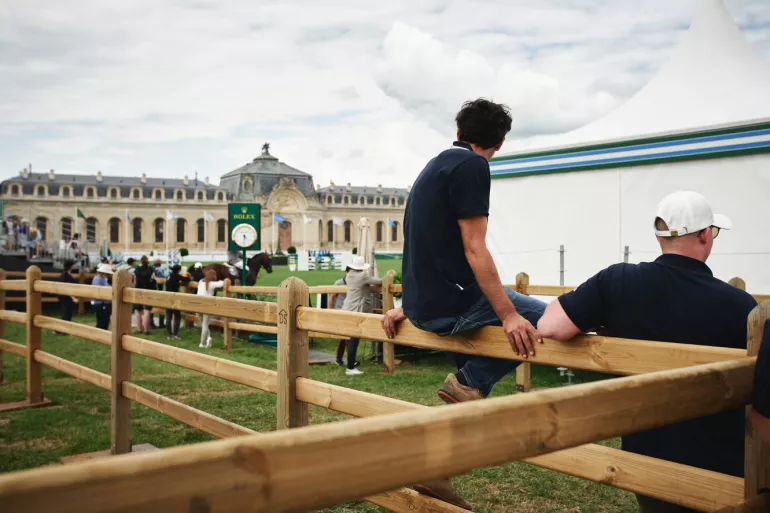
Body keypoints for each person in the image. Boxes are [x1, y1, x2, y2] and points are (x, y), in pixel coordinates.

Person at [537, 190, 756, 513]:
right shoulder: (740, 306)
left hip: (643, 458)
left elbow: (549, 326)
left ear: (659, 236)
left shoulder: (618, 282)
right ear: (706, 235)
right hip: (721, 467)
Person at [340, 257, 381, 376]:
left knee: (352, 339)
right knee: (354, 339)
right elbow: (378, 281)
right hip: (357, 310)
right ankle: (350, 368)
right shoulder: (362, 276)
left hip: (348, 308)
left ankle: (351, 363)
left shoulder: (349, 275)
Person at [328, 269, 352, 367]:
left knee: (346, 337)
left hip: (349, 313)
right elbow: (332, 297)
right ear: (346, 272)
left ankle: (340, 358)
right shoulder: (338, 283)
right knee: (346, 337)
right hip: (340, 313)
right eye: (350, 272)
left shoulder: (353, 283)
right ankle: (348, 359)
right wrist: (331, 311)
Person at [197, 269, 224, 348]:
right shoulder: (212, 284)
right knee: (205, 325)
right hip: (207, 306)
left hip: (197, 305)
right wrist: (225, 279)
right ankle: (202, 343)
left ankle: (208, 337)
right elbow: (222, 283)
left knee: (203, 324)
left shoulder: (200, 282)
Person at [164, 264, 190, 340]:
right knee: (177, 316)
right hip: (175, 298)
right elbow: (187, 279)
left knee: (168, 317)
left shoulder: (169, 276)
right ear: (179, 270)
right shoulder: (177, 276)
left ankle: (169, 335)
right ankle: (175, 334)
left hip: (167, 297)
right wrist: (186, 275)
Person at [133, 255, 156, 335]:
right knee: (147, 310)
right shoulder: (151, 269)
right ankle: (146, 330)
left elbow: (135, 281)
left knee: (138, 310)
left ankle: (139, 329)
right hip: (148, 290)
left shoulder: (137, 269)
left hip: (138, 290)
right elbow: (153, 279)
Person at [56, 259, 79, 333]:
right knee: (67, 314)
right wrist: (73, 298)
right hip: (66, 297)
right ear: (71, 267)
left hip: (63, 297)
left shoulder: (63, 274)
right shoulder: (66, 276)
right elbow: (68, 288)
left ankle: (60, 330)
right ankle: (62, 330)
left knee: (67, 313)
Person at [92, 263, 113, 330]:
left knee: (104, 320)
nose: (108, 275)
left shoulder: (101, 278)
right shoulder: (99, 279)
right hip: (101, 303)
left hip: (101, 303)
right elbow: (101, 290)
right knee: (103, 321)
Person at [152, 258, 169, 329]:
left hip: (153, 289)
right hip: (160, 288)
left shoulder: (152, 270)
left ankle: (151, 323)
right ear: (160, 264)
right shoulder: (161, 269)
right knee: (161, 306)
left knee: (151, 306)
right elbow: (166, 275)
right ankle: (161, 323)